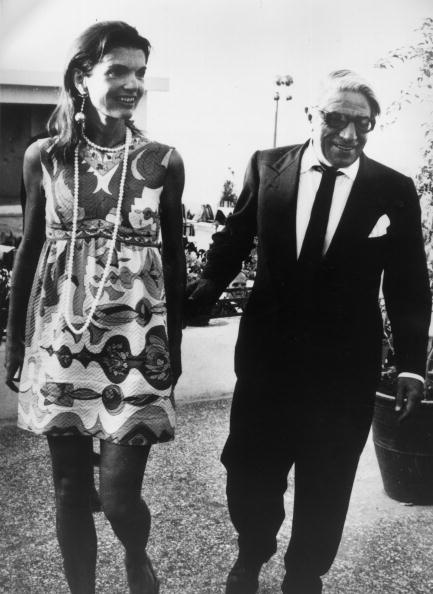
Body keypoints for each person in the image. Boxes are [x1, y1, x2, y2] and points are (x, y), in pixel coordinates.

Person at [187, 69, 431, 594]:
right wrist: (200, 292)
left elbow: (409, 283)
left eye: (362, 124)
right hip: (267, 363)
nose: (349, 135)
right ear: (310, 116)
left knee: (328, 480)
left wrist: (412, 363)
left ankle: (304, 573)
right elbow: (234, 238)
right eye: (336, 119)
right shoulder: (268, 166)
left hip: (343, 372)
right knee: (250, 470)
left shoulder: (392, 189)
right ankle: (252, 553)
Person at [5, 21, 185, 594]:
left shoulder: (163, 161)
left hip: (137, 346)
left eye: (140, 73)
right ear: (84, 78)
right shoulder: (46, 157)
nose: (132, 84)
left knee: (117, 496)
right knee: (66, 491)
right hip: (61, 344)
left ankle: (135, 553)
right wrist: (15, 342)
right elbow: (29, 255)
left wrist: (172, 349)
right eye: (117, 72)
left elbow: (176, 264)